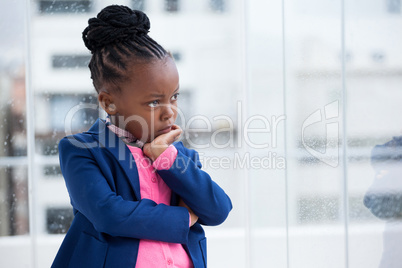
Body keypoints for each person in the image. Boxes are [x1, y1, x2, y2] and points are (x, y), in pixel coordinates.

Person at [51, 5, 232, 268]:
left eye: (174, 97)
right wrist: (184, 217)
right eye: (153, 103)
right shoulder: (82, 149)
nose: (169, 112)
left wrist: (166, 159)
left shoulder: (178, 155)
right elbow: (109, 215)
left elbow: (218, 210)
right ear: (109, 103)